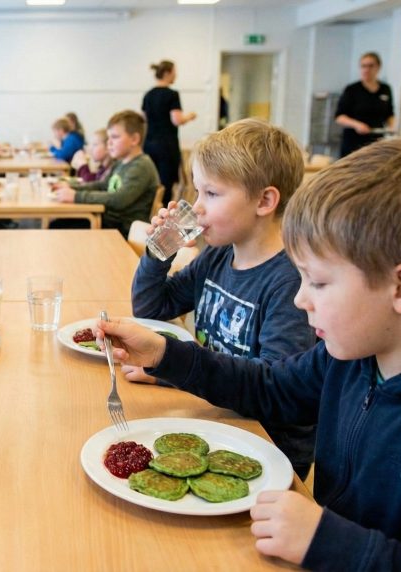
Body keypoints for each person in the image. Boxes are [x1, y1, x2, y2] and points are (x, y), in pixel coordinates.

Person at [98, 138, 401, 570]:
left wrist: (331, 541)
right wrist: (166, 353)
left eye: (318, 283)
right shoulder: (354, 356)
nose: (300, 299)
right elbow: (270, 386)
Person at [128, 119, 316, 478]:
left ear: (264, 200)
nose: (196, 208)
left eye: (211, 194)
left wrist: (174, 370)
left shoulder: (290, 282)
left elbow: (274, 388)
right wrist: (159, 252)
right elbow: (153, 308)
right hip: (219, 415)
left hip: (265, 450)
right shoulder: (218, 255)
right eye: (197, 193)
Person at [51, 110, 159, 235]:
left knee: (58, 227)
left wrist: (76, 196)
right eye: (109, 138)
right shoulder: (120, 163)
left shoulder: (141, 166)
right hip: (109, 222)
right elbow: (102, 185)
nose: (109, 143)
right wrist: (71, 187)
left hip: (122, 230)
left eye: (114, 137)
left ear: (134, 139)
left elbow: (118, 200)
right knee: (58, 223)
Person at [143, 60, 197, 194]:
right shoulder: (172, 95)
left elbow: (144, 120)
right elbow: (176, 120)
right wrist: (190, 116)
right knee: (166, 185)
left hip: (149, 144)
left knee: (151, 182)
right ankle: (164, 211)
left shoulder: (148, 95)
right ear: (167, 73)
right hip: (166, 146)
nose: (176, 75)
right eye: (174, 72)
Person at [335, 52, 395, 157]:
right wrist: (357, 125)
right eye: (363, 66)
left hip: (376, 143)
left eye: (371, 66)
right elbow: (339, 117)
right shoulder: (352, 89)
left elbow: (389, 114)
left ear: (378, 67)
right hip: (353, 144)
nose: (367, 69)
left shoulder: (386, 89)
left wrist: (392, 127)